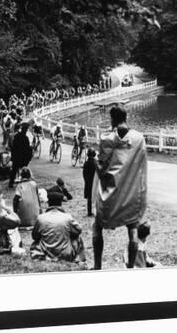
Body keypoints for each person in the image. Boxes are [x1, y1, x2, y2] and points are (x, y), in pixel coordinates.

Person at [91, 104, 148, 270]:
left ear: (112, 119)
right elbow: (140, 165)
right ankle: (130, 267)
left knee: (97, 226)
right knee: (133, 230)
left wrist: (94, 159)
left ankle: (97, 266)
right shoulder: (139, 138)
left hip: (111, 196)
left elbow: (102, 172)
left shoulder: (107, 139)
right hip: (131, 195)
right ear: (126, 117)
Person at [30, 195, 86, 263]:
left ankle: (44, 257)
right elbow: (79, 230)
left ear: (48, 203)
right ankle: (83, 261)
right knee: (78, 238)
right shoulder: (67, 217)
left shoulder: (40, 218)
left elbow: (34, 236)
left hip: (45, 253)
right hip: (65, 255)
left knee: (36, 242)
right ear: (60, 203)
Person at [9, 122, 33, 188]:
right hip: (23, 157)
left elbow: (13, 146)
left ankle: (11, 183)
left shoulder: (16, 136)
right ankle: (23, 182)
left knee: (14, 170)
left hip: (16, 156)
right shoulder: (26, 138)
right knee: (24, 170)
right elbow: (27, 148)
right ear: (26, 130)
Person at [82, 148, 97, 216]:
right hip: (95, 181)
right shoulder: (95, 163)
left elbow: (84, 174)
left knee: (89, 198)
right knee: (96, 196)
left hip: (88, 182)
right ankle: (96, 211)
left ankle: (89, 211)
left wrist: (86, 180)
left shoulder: (86, 163)